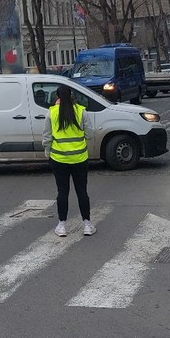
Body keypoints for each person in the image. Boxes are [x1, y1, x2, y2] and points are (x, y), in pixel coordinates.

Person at [42, 85, 96, 237]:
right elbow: (90, 134)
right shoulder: (81, 111)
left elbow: (47, 137)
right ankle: (87, 225)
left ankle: (62, 226)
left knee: (62, 192)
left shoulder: (52, 112)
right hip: (79, 158)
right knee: (82, 191)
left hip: (59, 158)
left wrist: (48, 152)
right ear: (72, 96)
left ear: (57, 97)